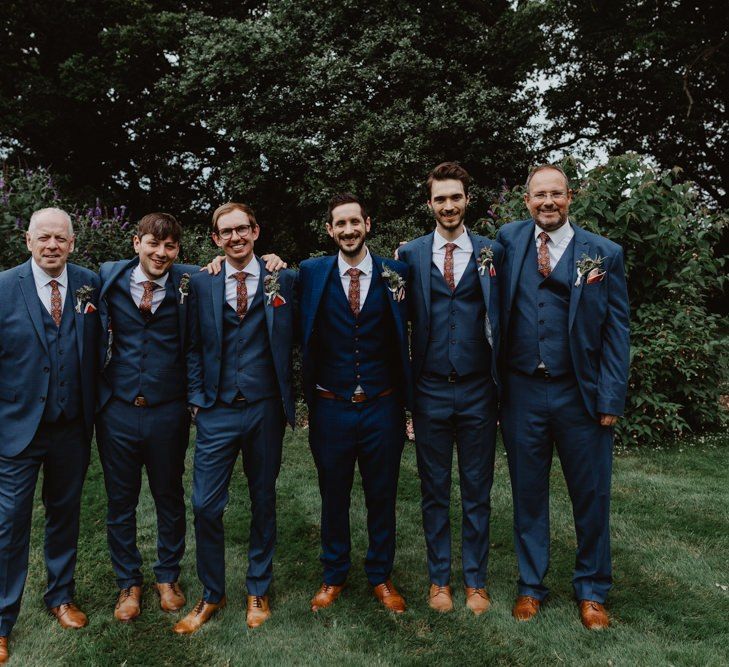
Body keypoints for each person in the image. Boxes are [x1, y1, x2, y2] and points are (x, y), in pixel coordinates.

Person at [496, 164, 630, 629]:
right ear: (526, 200)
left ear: (570, 197)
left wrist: (611, 398)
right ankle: (531, 587)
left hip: (581, 394)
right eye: (539, 195)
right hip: (522, 393)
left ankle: (592, 590)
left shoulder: (603, 253)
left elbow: (616, 331)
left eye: (556, 194)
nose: (547, 202)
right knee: (528, 493)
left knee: (591, 494)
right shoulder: (508, 240)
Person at [174, 203, 296, 633]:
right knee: (205, 504)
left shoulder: (283, 278)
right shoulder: (202, 284)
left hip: (265, 408)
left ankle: (257, 587)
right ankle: (212, 592)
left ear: (256, 231)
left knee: (264, 499)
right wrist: (196, 398)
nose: (235, 237)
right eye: (225, 232)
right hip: (216, 409)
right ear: (215, 240)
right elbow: (191, 346)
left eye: (242, 229)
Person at [397, 162, 503, 615]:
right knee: (434, 489)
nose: (448, 206)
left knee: (478, 487)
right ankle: (440, 579)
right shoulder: (410, 255)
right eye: (439, 198)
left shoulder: (493, 252)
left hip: (480, 388)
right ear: (430, 204)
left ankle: (475, 581)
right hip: (430, 389)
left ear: (466, 200)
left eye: (454, 197)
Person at [299, 193, 411, 613]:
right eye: (339, 224)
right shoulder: (310, 273)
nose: (348, 230)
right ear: (330, 230)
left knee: (382, 494)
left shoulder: (396, 273)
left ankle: (381, 576)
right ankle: (333, 575)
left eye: (354, 222)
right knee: (334, 494)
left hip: (383, 404)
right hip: (331, 406)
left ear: (368, 224)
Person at [0, 208, 100, 663]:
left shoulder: (90, 283)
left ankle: (60, 597)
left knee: (64, 517)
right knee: (9, 527)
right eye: (44, 238)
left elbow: (159, 270)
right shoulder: (4, 287)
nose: (52, 245)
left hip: (71, 429)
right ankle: (2, 620)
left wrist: (219, 263)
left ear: (73, 243)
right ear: (28, 241)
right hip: (16, 431)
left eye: (61, 238)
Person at [96, 213, 198, 621]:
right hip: (117, 411)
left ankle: (167, 577)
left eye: (169, 246)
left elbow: (237, 268)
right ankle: (128, 584)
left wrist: (274, 261)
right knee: (121, 501)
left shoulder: (190, 282)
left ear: (177, 250)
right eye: (153, 244)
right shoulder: (108, 276)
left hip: (168, 411)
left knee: (169, 496)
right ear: (136, 243)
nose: (160, 253)